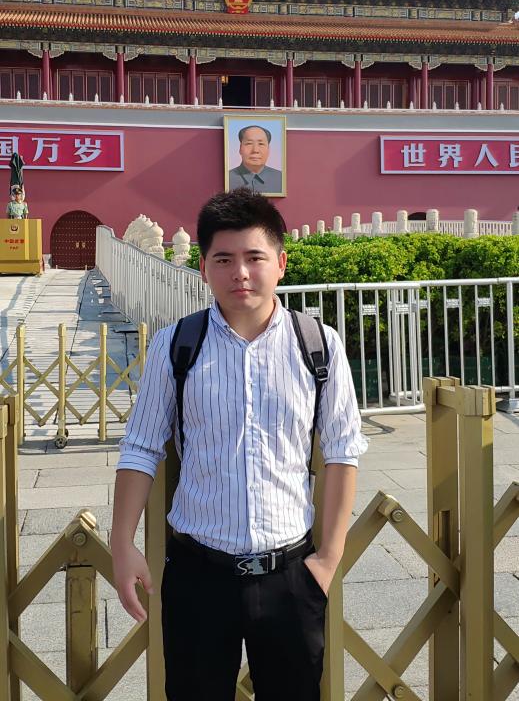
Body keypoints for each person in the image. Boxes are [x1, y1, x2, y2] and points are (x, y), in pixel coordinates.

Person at [111, 188, 367, 701]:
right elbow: (141, 448)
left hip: (291, 574)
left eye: (255, 257)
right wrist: (122, 544)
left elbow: (343, 451)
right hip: (198, 576)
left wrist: (328, 559)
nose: (241, 273)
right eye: (224, 259)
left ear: (281, 263)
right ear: (203, 267)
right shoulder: (175, 345)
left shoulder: (318, 346)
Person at [228, 125, 283, 194]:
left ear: (268, 149)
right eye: (249, 143)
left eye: (261, 144)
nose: (255, 150)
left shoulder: (281, 178)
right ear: (240, 148)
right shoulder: (227, 178)